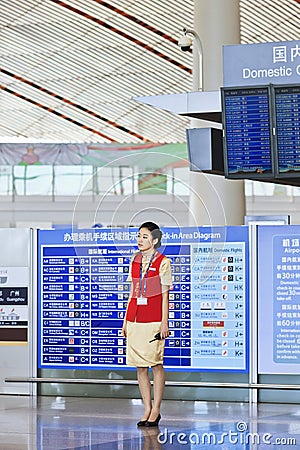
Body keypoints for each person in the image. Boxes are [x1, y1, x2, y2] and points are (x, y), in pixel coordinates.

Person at [122, 222, 172, 428]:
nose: (139, 240)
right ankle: (147, 408)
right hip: (134, 319)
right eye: (138, 236)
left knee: (155, 364)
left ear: (155, 239)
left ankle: (157, 409)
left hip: (153, 320)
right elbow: (132, 292)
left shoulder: (163, 262)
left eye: (144, 236)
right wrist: (125, 320)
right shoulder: (134, 260)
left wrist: (164, 322)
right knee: (140, 367)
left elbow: (165, 295)